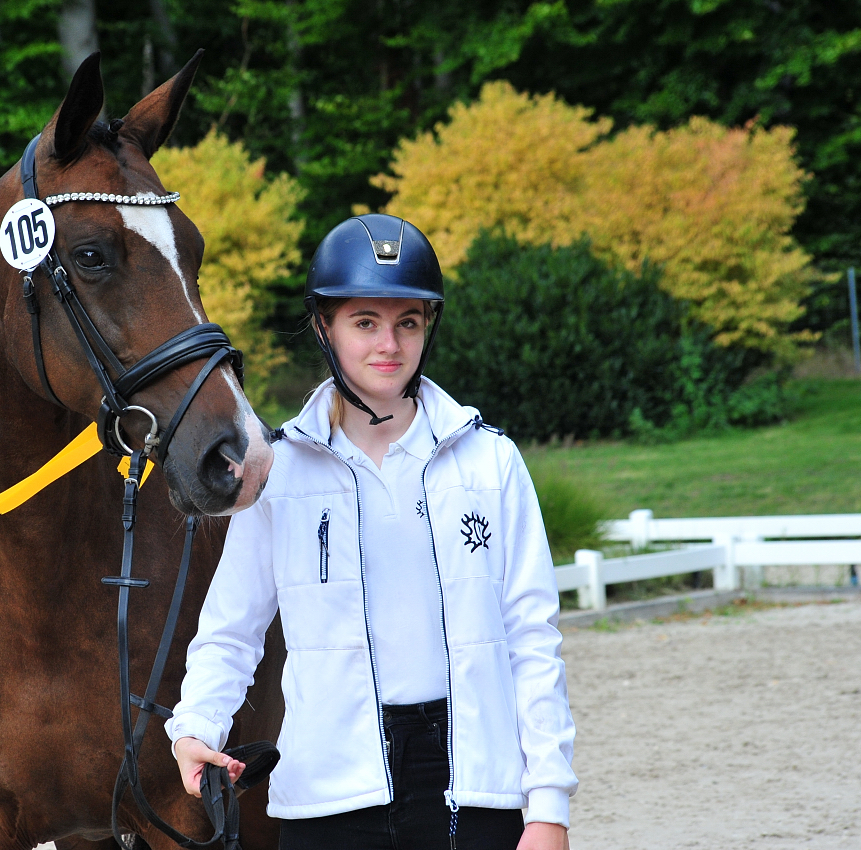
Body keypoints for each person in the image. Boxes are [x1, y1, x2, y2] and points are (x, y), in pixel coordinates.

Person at [165, 214, 577, 850]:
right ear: (324, 327)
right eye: (365, 323)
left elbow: (531, 636)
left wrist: (548, 806)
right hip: (329, 792)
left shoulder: (492, 462)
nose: (389, 344)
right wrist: (196, 726)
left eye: (407, 322)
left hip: (473, 787)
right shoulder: (279, 472)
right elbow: (231, 630)